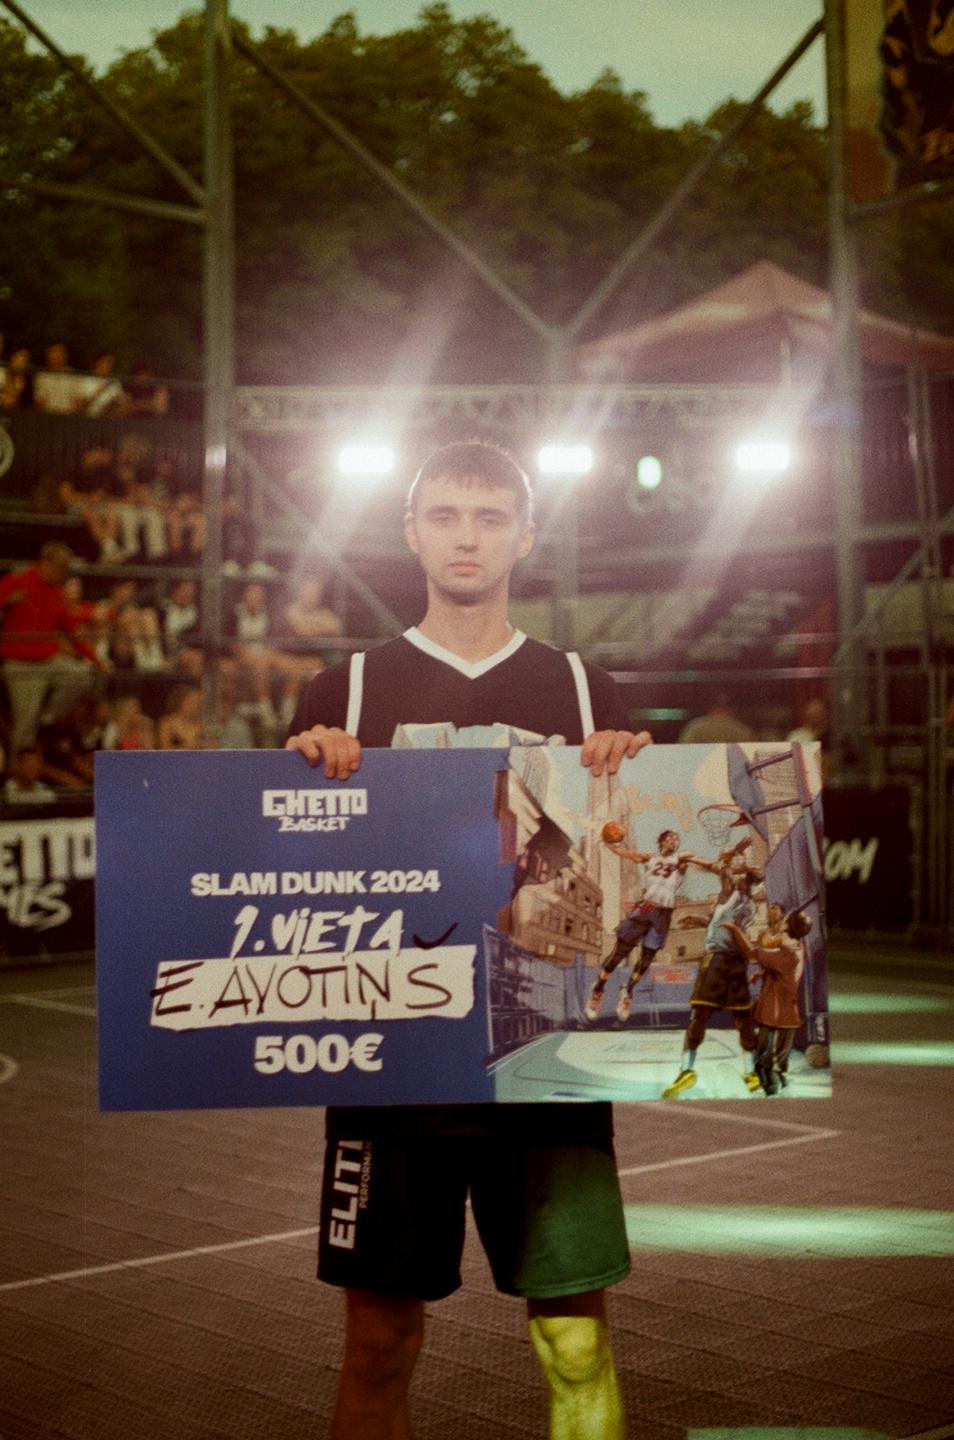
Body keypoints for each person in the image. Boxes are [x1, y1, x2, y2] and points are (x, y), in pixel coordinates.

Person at [286, 441, 652, 1440]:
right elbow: (296, 875)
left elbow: (625, 868)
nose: (466, 537)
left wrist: (637, 777)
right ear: (411, 532)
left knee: (575, 1343)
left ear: (525, 537)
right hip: (393, 1065)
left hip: (547, 1063)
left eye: (490, 519)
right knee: (378, 1341)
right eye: (445, 515)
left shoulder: (586, 690)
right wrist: (298, 776)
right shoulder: (343, 691)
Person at [584, 829, 719, 1024]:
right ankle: (598, 990)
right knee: (620, 952)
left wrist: (718, 867)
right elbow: (625, 853)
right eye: (671, 838)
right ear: (662, 841)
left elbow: (705, 863)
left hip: (663, 914)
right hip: (646, 908)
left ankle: (627, 992)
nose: (674, 841)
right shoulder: (650, 858)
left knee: (647, 957)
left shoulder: (681, 859)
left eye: (677, 839)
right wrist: (608, 844)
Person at [662, 853, 763, 1098]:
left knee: (735, 1018)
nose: (737, 879)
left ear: (747, 882)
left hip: (727, 960)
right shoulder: (736, 898)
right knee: (707, 1015)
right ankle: (689, 1071)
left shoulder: (740, 897)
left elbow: (734, 874)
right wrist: (698, 919)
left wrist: (732, 864)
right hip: (725, 959)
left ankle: (748, 1071)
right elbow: (717, 919)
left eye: (743, 878)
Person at [0, 542, 109, 755]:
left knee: (80, 675)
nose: (63, 573)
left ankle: (48, 718)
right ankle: (15, 768)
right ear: (46, 563)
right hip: (19, 662)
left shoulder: (57, 592)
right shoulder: (16, 581)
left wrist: (96, 659)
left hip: (47, 660)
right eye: (60, 567)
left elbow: (71, 631)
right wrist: (7, 603)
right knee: (25, 722)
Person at [725, 905, 812, 1095]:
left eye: (785, 919)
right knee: (775, 1060)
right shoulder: (797, 948)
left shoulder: (784, 954)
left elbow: (751, 953)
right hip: (786, 1014)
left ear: (786, 926)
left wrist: (734, 929)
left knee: (766, 1060)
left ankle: (771, 1087)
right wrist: (762, 974)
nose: (782, 920)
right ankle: (777, 1082)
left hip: (776, 1016)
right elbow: (784, 974)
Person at [678, 689, 754, 744]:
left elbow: (684, 752)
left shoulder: (695, 727)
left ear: (709, 707)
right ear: (733, 708)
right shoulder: (743, 730)